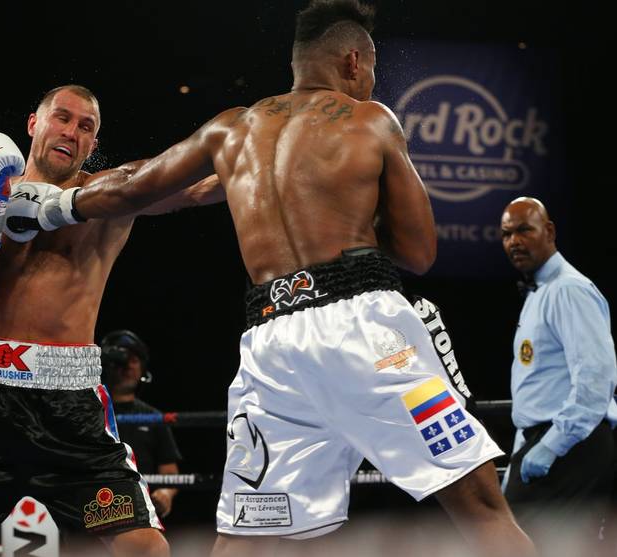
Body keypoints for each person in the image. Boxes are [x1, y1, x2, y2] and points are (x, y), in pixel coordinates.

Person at [30, 1, 535, 555]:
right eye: (371, 68)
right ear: (353, 60)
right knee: (480, 504)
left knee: (248, 535)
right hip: (368, 332)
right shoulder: (371, 119)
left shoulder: (231, 129)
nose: (371, 81)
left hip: (273, 346)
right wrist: (351, 211)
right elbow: (419, 253)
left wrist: (52, 205)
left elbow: (132, 185)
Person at [0, 85, 220, 557]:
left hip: (70, 416)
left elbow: (195, 187)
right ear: (34, 124)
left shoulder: (110, 198)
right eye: (63, 117)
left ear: (93, 144)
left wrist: (271, 164)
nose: (72, 131)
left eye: (86, 126)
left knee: (146, 549)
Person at [499, 196, 617, 547]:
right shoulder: (540, 292)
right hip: (550, 440)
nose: (514, 241)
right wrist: (523, 451)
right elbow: (538, 387)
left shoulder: (569, 289)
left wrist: (553, 445)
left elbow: (596, 379)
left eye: (524, 230)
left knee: (513, 545)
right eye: (506, 234)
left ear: (549, 231)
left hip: (572, 444)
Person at [100, 329, 182, 519]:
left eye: (134, 360)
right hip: (95, 505)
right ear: (107, 365)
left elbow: (170, 472)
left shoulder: (153, 417)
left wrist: (166, 493)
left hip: (141, 511)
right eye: (121, 360)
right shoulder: (87, 412)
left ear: (143, 369)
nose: (127, 366)